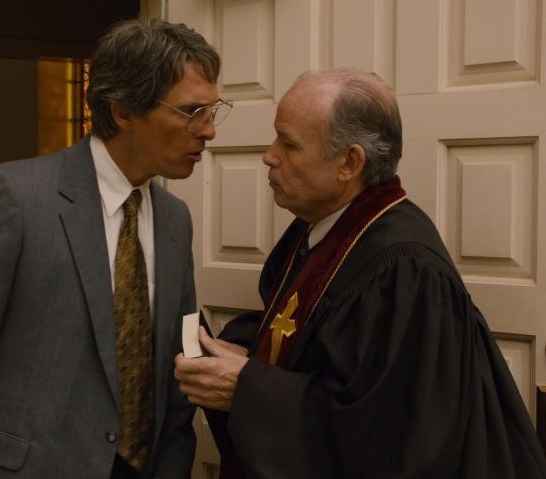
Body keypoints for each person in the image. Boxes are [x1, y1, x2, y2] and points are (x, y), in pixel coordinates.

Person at [174, 68, 546, 478]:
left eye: (289, 144)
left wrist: (249, 389)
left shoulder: (406, 269)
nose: (269, 155)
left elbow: (389, 436)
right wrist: (248, 349)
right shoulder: (321, 224)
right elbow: (306, 336)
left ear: (349, 162)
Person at [0, 17, 232, 479]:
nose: (209, 131)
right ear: (124, 111)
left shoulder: (174, 219)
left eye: (213, 110)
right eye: (191, 111)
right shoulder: (15, 197)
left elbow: (181, 352)